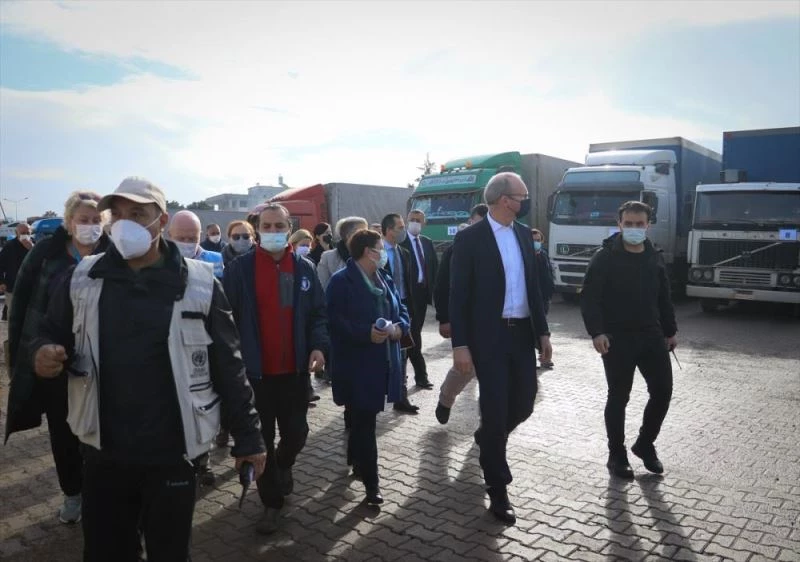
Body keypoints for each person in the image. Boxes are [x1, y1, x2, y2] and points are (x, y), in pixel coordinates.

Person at [29, 177, 266, 560]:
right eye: (117, 215)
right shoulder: (83, 278)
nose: (125, 224)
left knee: (169, 552)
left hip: (172, 453)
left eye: (138, 214)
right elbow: (48, 331)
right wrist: (42, 352)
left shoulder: (201, 283)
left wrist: (249, 436)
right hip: (103, 452)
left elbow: (229, 364)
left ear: (162, 221)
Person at [450, 172, 552, 525]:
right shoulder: (470, 238)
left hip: (521, 335)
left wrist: (543, 332)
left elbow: (533, 289)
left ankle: (487, 438)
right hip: (488, 337)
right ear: (504, 199)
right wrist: (460, 345)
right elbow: (458, 296)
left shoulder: (524, 235)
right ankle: (498, 487)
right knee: (494, 411)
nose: (526, 201)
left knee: (524, 403)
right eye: (521, 196)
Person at [223, 203, 328, 535]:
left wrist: (318, 345)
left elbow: (318, 314)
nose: (272, 231)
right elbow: (227, 320)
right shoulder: (239, 270)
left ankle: (284, 463)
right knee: (262, 439)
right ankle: (271, 503)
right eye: (266, 226)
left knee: (297, 434)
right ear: (257, 230)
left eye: (278, 226)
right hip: (255, 375)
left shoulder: (305, 268)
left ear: (289, 228)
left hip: (295, 372)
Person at [4, 192, 109, 525]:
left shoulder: (115, 255)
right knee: (63, 434)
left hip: (101, 362)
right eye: (83, 219)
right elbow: (22, 306)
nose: (90, 225)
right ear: (69, 222)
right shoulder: (45, 254)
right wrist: (25, 353)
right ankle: (73, 494)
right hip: (54, 360)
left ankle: (101, 495)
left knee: (100, 432)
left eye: (96, 220)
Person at [580, 200, 677, 480]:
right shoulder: (605, 257)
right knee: (619, 396)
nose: (634, 228)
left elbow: (664, 297)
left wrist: (670, 331)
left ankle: (645, 444)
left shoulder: (654, 255)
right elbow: (590, 298)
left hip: (652, 336)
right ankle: (616, 455)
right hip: (616, 339)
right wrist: (597, 332)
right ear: (619, 224)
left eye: (640, 224)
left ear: (648, 225)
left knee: (662, 392)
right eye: (629, 223)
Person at [326, 229, 410, 506]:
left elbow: (402, 309)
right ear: (367, 252)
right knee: (365, 423)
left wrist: (400, 327)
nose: (383, 253)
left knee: (362, 418)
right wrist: (365, 333)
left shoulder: (384, 278)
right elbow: (334, 321)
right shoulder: (341, 281)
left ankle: (356, 458)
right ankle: (372, 485)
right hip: (356, 365)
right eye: (379, 248)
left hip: (384, 362)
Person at [433, 204, 488, 425]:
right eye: (478, 222)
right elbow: (442, 285)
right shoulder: (458, 247)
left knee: (493, 376)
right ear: (471, 220)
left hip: (495, 323)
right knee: (465, 369)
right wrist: (444, 318)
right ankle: (446, 399)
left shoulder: (501, 246)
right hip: (467, 321)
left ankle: (489, 424)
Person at [380, 213, 419, 414]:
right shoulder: (377, 253)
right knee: (382, 356)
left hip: (402, 309)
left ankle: (401, 397)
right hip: (382, 310)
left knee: (403, 354)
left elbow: (408, 283)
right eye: (400, 227)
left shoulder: (404, 253)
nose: (404, 231)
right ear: (388, 230)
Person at [400, 209, 438, 389]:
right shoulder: (401, 243)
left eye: (418, 220)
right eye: (412, 219)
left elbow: (434, 268)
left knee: (414, 335)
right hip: (407, 296)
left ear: (424, 223)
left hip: (422, 296)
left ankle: (410, 376)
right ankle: (418, 376)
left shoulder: (427, 242)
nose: (415, 223)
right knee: (412, 336)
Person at [168, 210, 224, 279]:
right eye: (181, 239)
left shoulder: (217, 260)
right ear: (170, 235)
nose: (186, 243)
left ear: (200, 235)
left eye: (192, 239)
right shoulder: (161, 260)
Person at [317, 216, 368, 290]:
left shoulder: (370, 255)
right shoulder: (328, 257)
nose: (367, 235)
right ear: (349, 235)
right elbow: (323, 287)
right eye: (363, 233)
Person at [531, 228, 555, 369]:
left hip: (543, 299)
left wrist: (549, 294)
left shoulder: (543, 255)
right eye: (533, 240)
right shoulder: (525, 257)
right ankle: (537, 358)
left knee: (542, 329)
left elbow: (548, 275)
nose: (536, 243)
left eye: (538, 240)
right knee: (533, 330)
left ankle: (544, 357)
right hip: (532, 301)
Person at [0, 222, 34, 317]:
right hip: (12, 287)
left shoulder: (36, 245)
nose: (25, 235)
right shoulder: (9, 246)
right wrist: (1, 282)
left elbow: (43, 262)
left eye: (28, 233)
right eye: (23, 233)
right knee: (14, 315)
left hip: (31, 288)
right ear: (16, 233)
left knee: (29, 316)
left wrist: (32, 249)